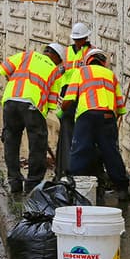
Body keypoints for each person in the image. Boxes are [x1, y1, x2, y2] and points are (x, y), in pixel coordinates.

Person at [0, 42, 66, 195]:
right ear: (57, 58)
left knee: (11, 142)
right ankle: (32, 184)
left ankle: (14, 182)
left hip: (10, 102)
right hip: (33, 108)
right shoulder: (55, 71)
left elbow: (2, 68)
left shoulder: (26, 55)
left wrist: (14, 81)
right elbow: (52, 102)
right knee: (37, 146)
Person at [68, 49, 130, 202]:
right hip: (108, 117)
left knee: (80, 151)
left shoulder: (81, 72)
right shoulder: (111, 75)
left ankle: (75, 188)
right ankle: (122, 189)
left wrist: (63, 111)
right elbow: (120, 109)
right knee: (111, 153)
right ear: (103, 62)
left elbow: (69, 99)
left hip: (86, 116)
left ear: (87, 61)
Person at [48, 21, 92, 177]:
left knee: (82, 132)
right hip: (67, 94)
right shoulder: (66, 52)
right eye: (76, 39)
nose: (78, 42)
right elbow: (60, 70)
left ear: (86, 38)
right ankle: (65, 168)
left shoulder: (91, 53)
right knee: (66, 131)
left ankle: (79, 169)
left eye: (80, 39)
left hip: (84, 93)